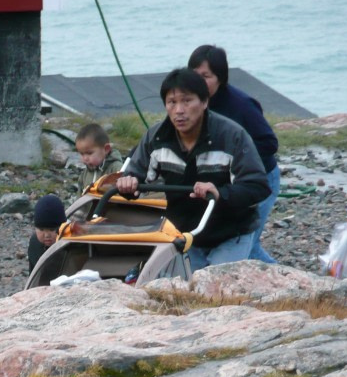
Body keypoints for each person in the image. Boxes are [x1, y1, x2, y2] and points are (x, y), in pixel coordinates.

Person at [115, 68, 270, 270]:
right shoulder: (157, 138)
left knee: (218, 288)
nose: (179, 110)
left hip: (232, 232)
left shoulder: (231, 136)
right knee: (184, 290)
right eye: (172, 102)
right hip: (185, 233)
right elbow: (135, 173)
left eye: (187, 101)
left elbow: (257, 186)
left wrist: (220, 193)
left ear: (204, 102)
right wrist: (129, 184)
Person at [189, 45, 281, 263]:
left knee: (246, 243)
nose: (199, 82)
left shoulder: (241, 105)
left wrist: (236, 160)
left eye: (206, 76)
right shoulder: (192, 104)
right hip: (221, 183)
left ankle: (291, 286)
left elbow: (269, 142)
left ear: (220, 78)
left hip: (258, 179)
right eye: (194, 76)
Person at [75, 123, 124, 195]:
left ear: (106, 149)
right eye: (82, 154)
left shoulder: (116, 169)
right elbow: (79, 198)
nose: (85, 158)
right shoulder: (84, 174)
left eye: (89, 153)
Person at [28, 193, 67, 273]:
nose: (47, 235)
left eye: (52, 229)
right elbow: (32, 273)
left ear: (63, 227)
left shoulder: (70, 245)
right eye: (41, 229)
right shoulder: (35, 243)